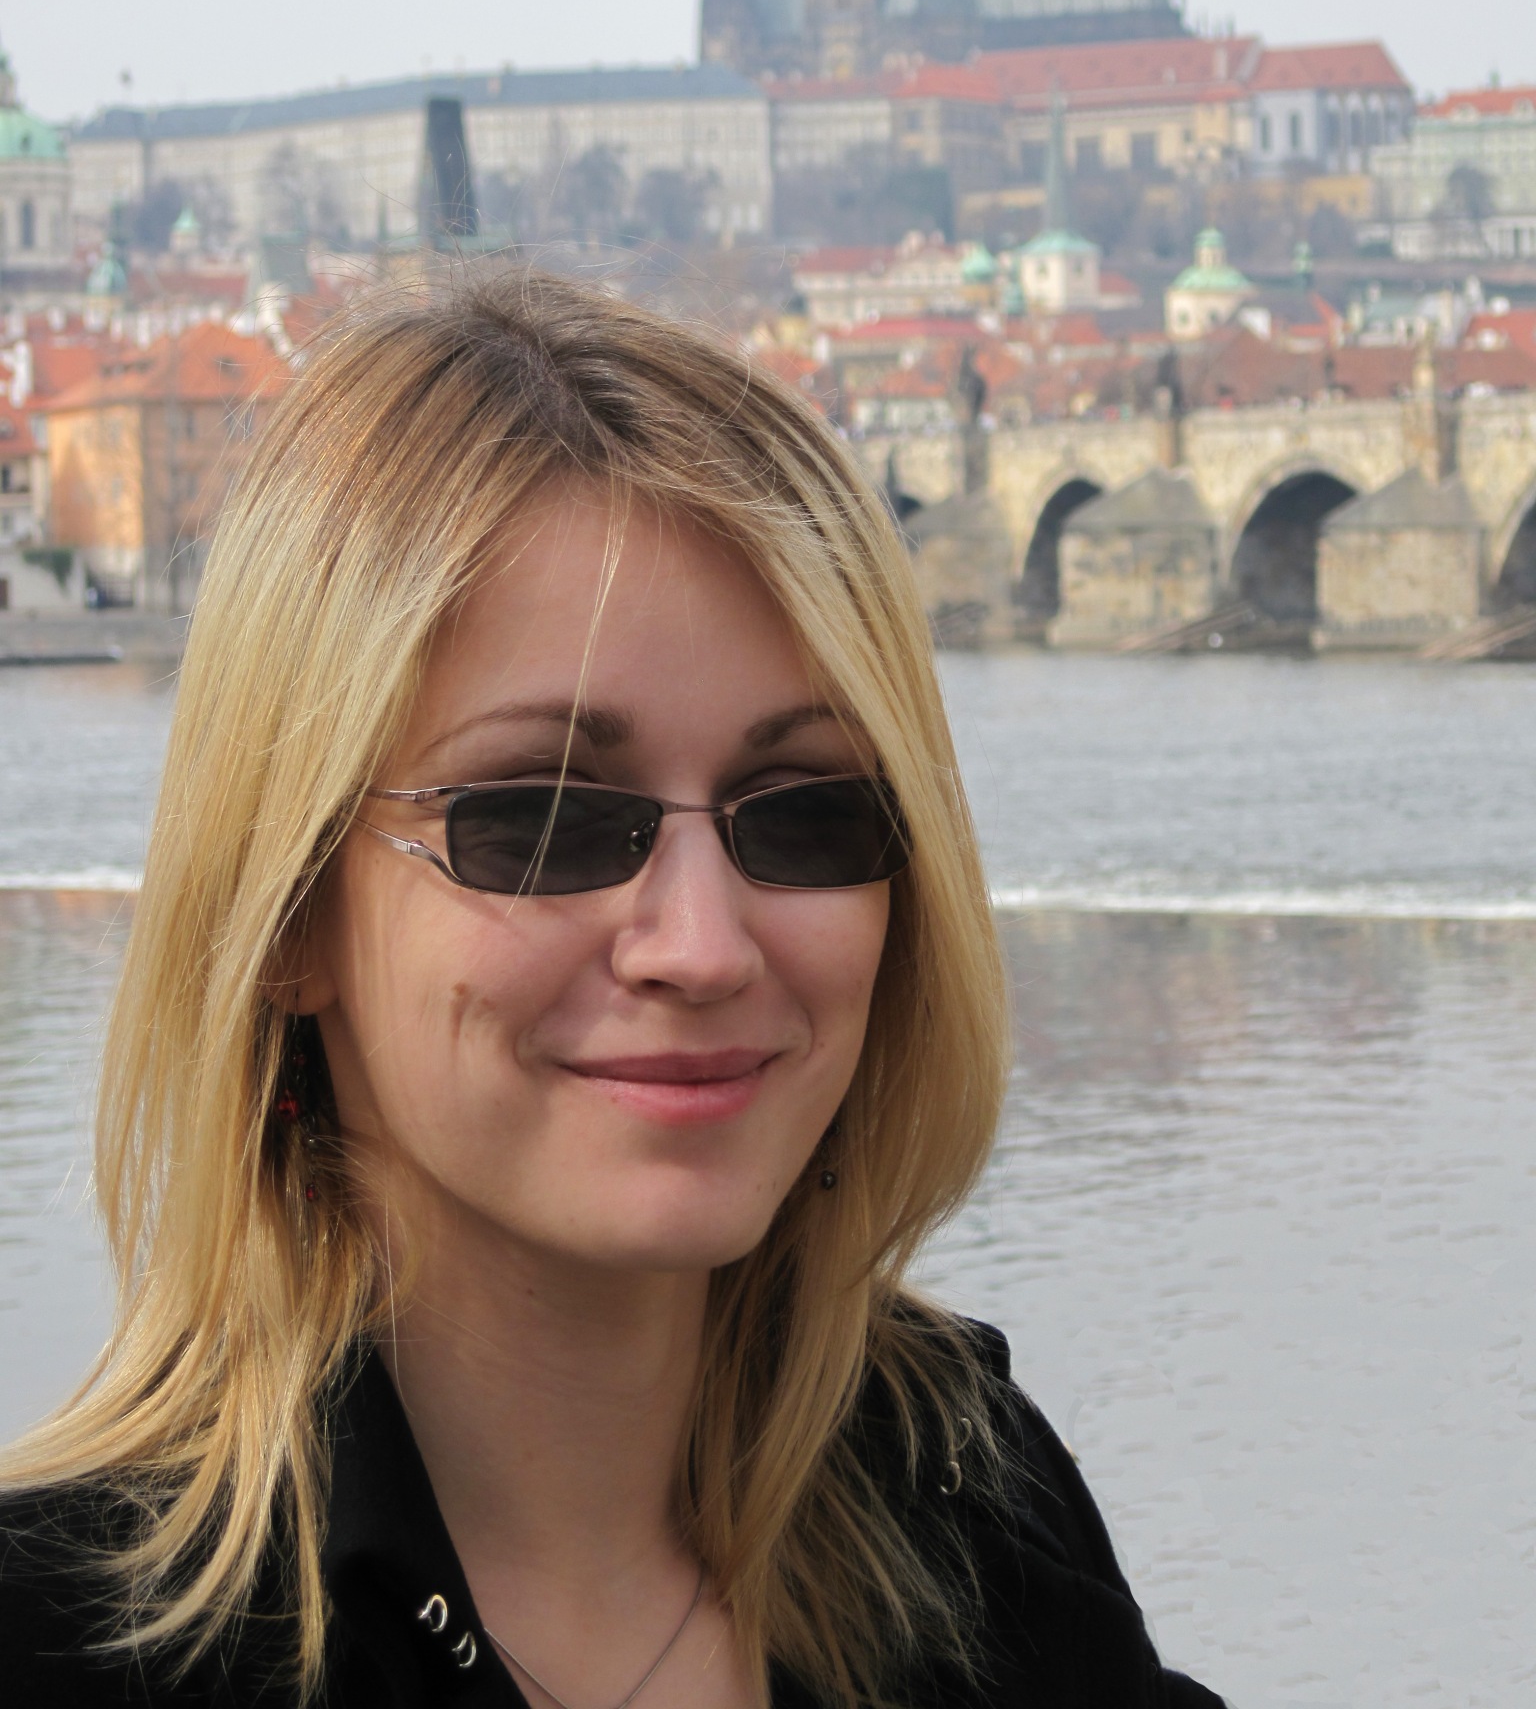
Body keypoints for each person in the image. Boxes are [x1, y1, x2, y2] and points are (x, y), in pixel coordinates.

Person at [0, 271, 1224, 1707]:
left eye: (808, 813)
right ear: (287, 915)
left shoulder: (972, 1509)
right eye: (544, 821)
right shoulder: (54, 1646)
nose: (701, 947)